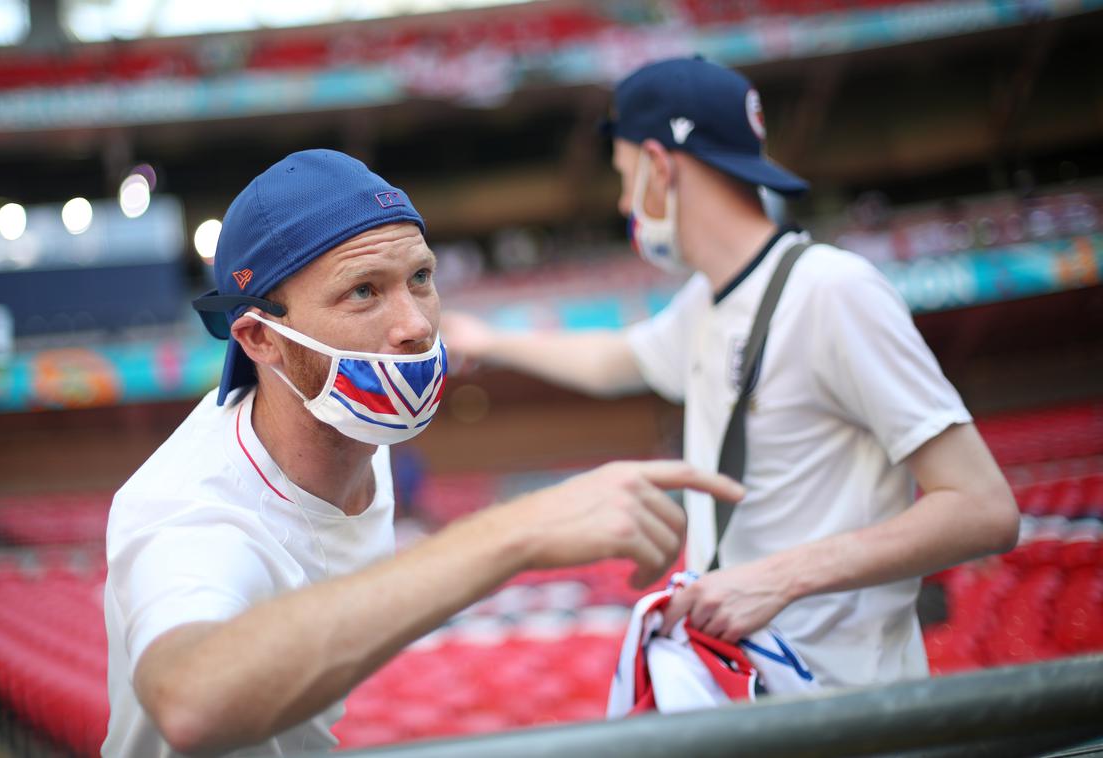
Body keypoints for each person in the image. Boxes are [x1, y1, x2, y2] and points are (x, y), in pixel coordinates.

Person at [101, 149, 743, 757]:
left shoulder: (359, 437)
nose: (415, 324)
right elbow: (189, 702)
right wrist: (516, 531)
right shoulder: (194, 509)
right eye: (363, 291)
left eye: (421, 278)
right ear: (259, 340)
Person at [441, 57, 1020, 689]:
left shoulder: (833, 289)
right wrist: (487, 339)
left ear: (660, 167)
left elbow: (983, 508)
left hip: (850, 709)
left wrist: (780, 575)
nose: (622, 200)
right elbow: (613, 362)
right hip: (752, 692)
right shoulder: (704, 301)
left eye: (625, 175)